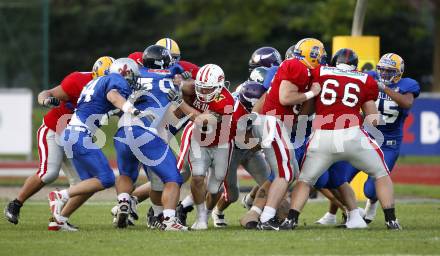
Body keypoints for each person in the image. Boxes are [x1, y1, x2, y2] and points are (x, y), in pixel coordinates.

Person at [279, 50, 402, 230]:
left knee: (305, 180)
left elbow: (308, 107)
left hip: (322, 135)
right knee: (381, 173)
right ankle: (391, 220)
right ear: (355, 65)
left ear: (333, 63)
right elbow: (373, 118)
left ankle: (291, 219)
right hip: (352, 134)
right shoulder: (365, 79)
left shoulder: (320, 71)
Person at [3, 56, 114, 230]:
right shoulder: (78, 81)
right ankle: (16, 203)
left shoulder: (113, 92)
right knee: (49, 173)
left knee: (88, 183)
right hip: (54, 130)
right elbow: (46, 93)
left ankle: (59, 219)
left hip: (76, 139)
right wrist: (46, 101)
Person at [315, 53, 420, 225]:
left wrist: (383, 88)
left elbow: (407, 103)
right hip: (364, 137)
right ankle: (333, 215)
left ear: (399, 72)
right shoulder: (369, 76)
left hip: (388, 143)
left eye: (389, 71)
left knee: (370, 190)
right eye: (382, 70)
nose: (385, 74)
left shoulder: (408, 85)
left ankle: (371, 208)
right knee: (338, 178)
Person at [47, 58, 141, 231]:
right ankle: (60, 195)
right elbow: (113, 97)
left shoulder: (95, 82)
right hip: (80, 135)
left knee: (88, 184)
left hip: (70, 133)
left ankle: (59, 220)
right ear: (125, 72)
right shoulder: (117, 80)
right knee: (106, 179)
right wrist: (132, 110)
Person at [111, 45, 188, 231]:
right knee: (173, 178)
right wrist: (180, 86)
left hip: (122, 131)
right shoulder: (170, 77)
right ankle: (169, 220)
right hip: (146, 133)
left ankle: (123, 201)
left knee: (126, 175)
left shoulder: (134, 75)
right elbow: (183, 85)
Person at [256, 38, 326, 230]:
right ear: (313, 55)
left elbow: (301, 109)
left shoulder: (305, 70)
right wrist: (311, 93)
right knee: (285, 173)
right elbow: (285, 98)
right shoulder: (296, 66)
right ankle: (266, 219)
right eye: (320, 55)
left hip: (278, 123)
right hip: (273, 121)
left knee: (292, 171)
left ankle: (265, 215)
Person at [174, 64, 247, 230]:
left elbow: (201, 120)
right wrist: (177, 86)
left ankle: (206, 214)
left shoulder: (226, 102)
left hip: (222, 142)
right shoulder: (193, 87)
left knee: (215, 187)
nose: (203, 93)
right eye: (201, 88)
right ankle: (199, 217)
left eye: (208, 89)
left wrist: (179, 101)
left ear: (220, 86)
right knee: (197, 177)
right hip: (199, 140)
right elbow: (183, 86)